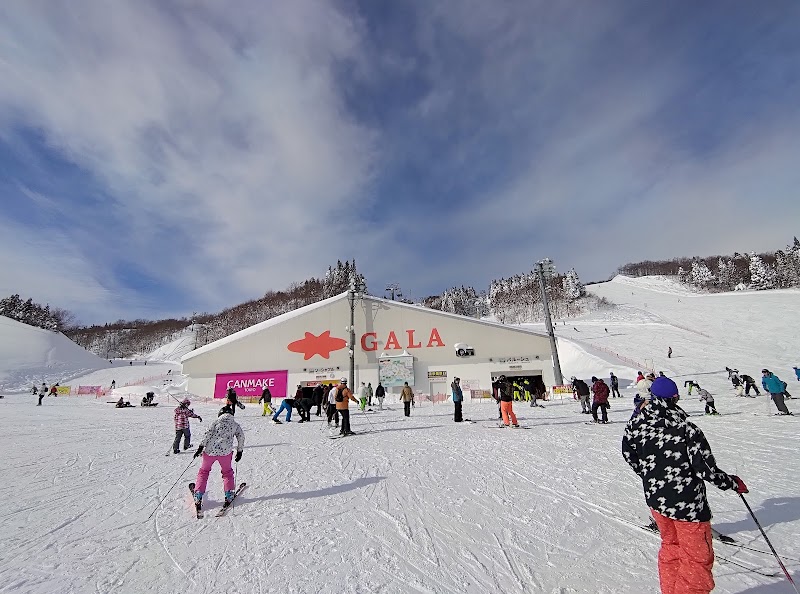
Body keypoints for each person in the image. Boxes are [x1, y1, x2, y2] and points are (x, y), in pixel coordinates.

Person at [622, 376, 748, 594]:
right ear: (674, 399)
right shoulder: (686, 429)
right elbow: (706, 469)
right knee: (697, 559)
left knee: (672, 547)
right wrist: (732, 483)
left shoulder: (636, 424)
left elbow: (628, 453)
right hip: (687, 506)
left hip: (657, 501)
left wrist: (650, 475)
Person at [192, 405, 245, 511]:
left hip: (209, 452)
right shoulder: (235, 425)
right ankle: (229, 494)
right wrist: (239, 451)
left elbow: (207, 434)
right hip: (225, 453)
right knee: (227, 473)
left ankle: (198, 495)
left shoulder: (215, 422)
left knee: (204, 472)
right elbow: (241, 437)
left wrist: (201, 447)